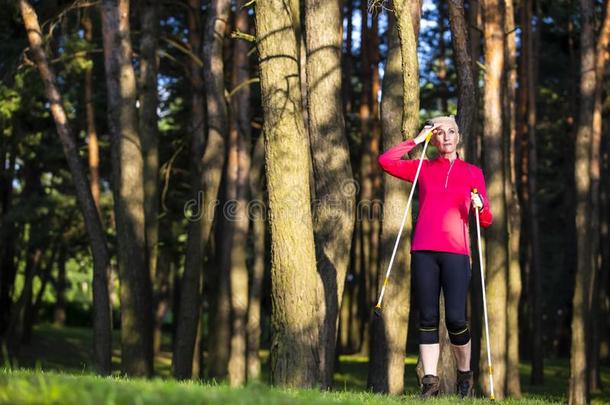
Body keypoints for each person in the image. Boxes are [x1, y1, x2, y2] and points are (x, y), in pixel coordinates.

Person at [377, 115, 493, 399]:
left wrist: (480, 207)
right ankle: (430, 382)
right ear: (434, 138)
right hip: (424, 250)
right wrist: (417, 140)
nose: (446, 137)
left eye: (451, 132)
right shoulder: (423, 168)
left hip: (457, 252)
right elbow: (386, 161)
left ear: (458, 136)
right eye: (440, 133)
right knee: (427, 317)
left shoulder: (472, 172)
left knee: (455, 318)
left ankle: (465, 376)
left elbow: (486, 219)